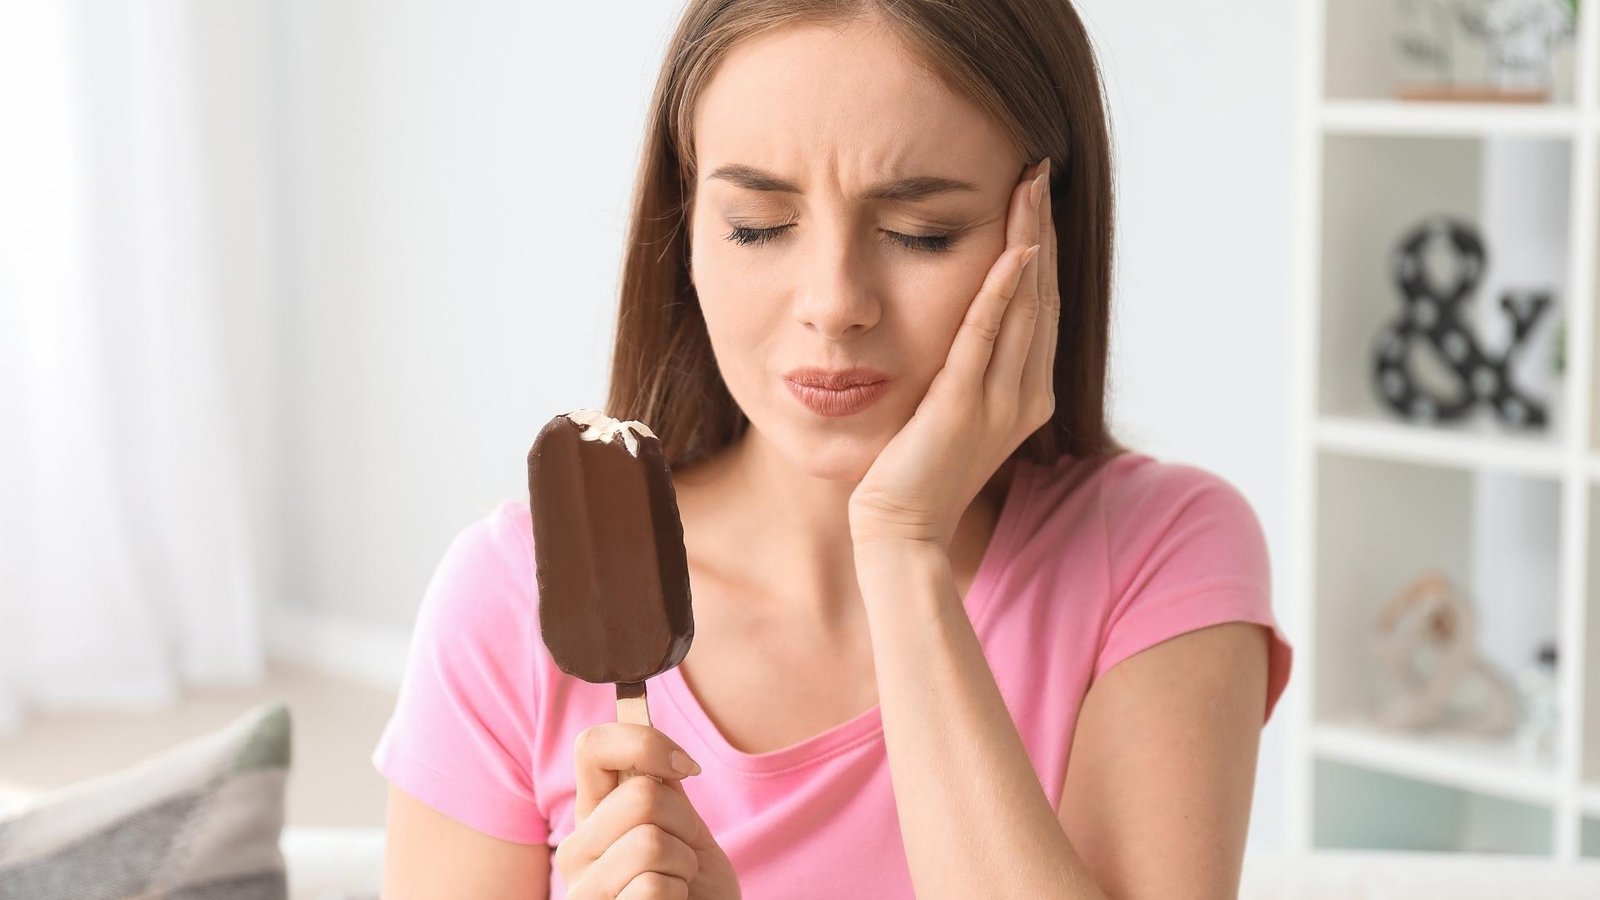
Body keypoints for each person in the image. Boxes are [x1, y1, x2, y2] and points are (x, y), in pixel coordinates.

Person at [373, 1, 1293, 897]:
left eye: (921, 234)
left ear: (1047, 233)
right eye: (757, 225)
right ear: (686, 227)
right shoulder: (507, 601)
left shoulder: (1160, 553)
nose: (833, 302)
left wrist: (901, 546)